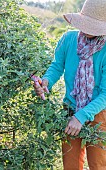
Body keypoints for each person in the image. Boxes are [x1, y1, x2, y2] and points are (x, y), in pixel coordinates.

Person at [34, 0, 106, 169]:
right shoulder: (68, 39)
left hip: (99, 113)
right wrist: (46, 82)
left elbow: (105, 94)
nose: (87, 29)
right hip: (70, 109)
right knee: (70, 165)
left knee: (98, 165)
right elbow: (56, 66)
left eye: (93, 26)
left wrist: (81, 117)